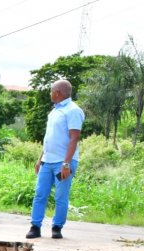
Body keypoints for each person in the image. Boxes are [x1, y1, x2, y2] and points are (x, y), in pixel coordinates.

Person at [26, 79, 85, 240]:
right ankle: (35, 226)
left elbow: (74, 138)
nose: (50, 94)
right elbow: (48, 138)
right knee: (40, 194)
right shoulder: (54, 111)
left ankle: (57, 227)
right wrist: (40, 159)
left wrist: (66, 163)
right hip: (47, 161)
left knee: (60, 196)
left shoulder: (73, 110)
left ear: (57, 93)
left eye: (51, 91)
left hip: (63, 163)